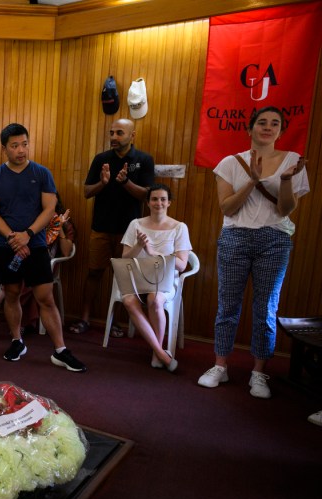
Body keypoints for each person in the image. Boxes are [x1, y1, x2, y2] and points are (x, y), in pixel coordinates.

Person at [198, 106, 309, 399]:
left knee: (266, 308)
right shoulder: (229, 163)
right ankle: (220, 366)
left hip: (275, 240)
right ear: (249, 128)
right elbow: (227, 207)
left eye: (275, 123)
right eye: (262, 122)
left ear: (282, 131)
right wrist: (253, 181)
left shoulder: (293, 161)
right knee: (228, 306)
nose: (268, 127)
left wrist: (285, 180)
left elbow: (285, 209)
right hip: (235, 237)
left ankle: (259, 372)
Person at [0, 123, 85, 372]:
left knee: (45, 298)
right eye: (15, 146)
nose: (21, 150)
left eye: (24, 144)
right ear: (4, 148)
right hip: (5, 246)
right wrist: (13, 239)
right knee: (12, 293)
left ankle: (61, 350)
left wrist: (27, 235)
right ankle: (17, 341)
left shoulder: (41, 173)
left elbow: (50, 208)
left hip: (36, 244)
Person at [70, 118, 154, 336]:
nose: (114, 137)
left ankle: (114, 321)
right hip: (101, 227)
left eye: (119, 133)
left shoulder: (144, 160)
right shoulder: (101, 159)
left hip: (129, 233)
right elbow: (87, 192)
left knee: (122, 278)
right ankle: (85, 319)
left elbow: (146, 195)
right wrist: (103, 183)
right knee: (94, 273)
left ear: (132, 136)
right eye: (111, 133)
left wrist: (125, 182)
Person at [119, 184, 191, 372]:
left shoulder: (179, 227)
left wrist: (153, 251)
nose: (158, 203)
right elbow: (125, 256)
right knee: (128, 300)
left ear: (169, 203)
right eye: (154, 199)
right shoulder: (136, 224)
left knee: (155, 300)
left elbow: (182, 265)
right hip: (138, 276)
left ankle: (156, 353)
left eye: (162, 199)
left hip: (165, 279)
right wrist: (139, 246)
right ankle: (160, 352)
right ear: (148, 203)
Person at [0, 192, 75, 334]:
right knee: (17, 266)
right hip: (25, 257)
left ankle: (0, 300)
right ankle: (18, 319)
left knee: (28, 271)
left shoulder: (63, 221)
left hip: (47, 262)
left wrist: (60, 227)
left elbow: (67, 252)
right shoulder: (34, 219)